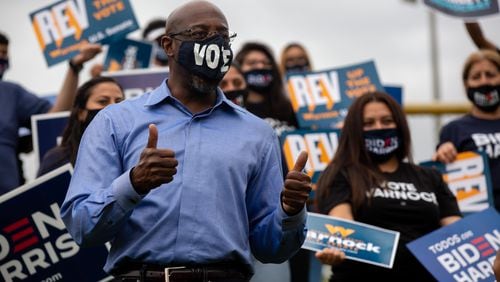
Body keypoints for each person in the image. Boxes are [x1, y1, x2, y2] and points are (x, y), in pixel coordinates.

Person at [61, 1, 312, 281]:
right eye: (200, 34)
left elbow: (271, 250)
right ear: (168, 45)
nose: (214, 44)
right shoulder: (115, 122)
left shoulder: (258, 133)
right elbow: (81, 226)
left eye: (222, 36)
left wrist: (290, 211)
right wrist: (133, 183)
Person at [315, 91, 462, 281]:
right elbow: (342, 223)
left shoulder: (430, 176)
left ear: (400, 126)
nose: (379, 128)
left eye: (387, 121)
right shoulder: (341, 173)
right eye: (368, 123)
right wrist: (337, 246)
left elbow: (459, 233)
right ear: (355, 130)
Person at [0, 31, 102, 194]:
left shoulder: (9, 93)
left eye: (4, 53)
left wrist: (74, 66)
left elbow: (53, 117)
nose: (2, 57)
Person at [434, 50, 500, 211]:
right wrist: (443, 153)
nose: (484, 82)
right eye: (476, 77)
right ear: (466, 85)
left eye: (490, 75)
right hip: (485, 224)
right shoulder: (454, 129)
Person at [37, 77, 124, 176]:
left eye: (119, 102)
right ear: (81, 113)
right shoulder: (57, 160)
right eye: (103, 101)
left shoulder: (135, 155)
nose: (113, 107)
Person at [235, 42, 298, 135]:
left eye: (266, 63)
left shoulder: (290, 108)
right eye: (252, 63)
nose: (260, 67)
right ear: (239, 69)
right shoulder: (234, 111)